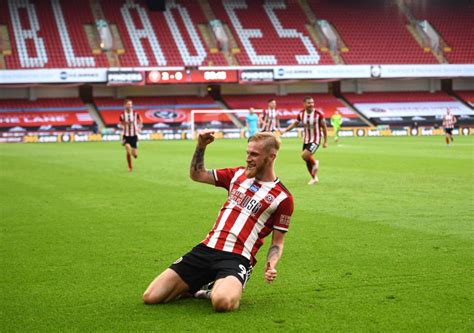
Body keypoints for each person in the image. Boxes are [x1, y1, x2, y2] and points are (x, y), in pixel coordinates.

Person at [143, 131, 294, 312]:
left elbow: (277, 242)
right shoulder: (236, 175)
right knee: (151, 297)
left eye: (254, 154)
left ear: (271, 157)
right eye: (247, 153)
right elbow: (197, 174)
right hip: (206, 249)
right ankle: (199, 286)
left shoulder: (283, 198)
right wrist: (201, 146)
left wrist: (272, 265)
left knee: (222, 302)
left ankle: (212, 289)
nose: (248, 158)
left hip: (237, 257)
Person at [281, 96, 328, 185]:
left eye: (312, 103)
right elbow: (295, 124)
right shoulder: (301, 114)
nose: (311, 104)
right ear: (304, 104)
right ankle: (314, 178)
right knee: (306, 160)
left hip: (315, 140)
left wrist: (325, 141)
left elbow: (324, 128)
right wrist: (285, 130)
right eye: (309, 103)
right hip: (306, 140)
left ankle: (315, 163)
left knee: (304, 156)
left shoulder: (318, 114)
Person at [119, 99, 142, 172]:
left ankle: (135, 151)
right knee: (127, 148)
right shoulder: (122, 115)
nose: (130, 106)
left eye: (131, 104)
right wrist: (123, 126)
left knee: (135, 155)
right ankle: (130, 167)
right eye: (128, 104)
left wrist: (139, 127)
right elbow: (120, 123)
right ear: (125, 105)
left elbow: (140, 119)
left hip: (134, 135)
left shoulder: (135, 113)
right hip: (126, 135)